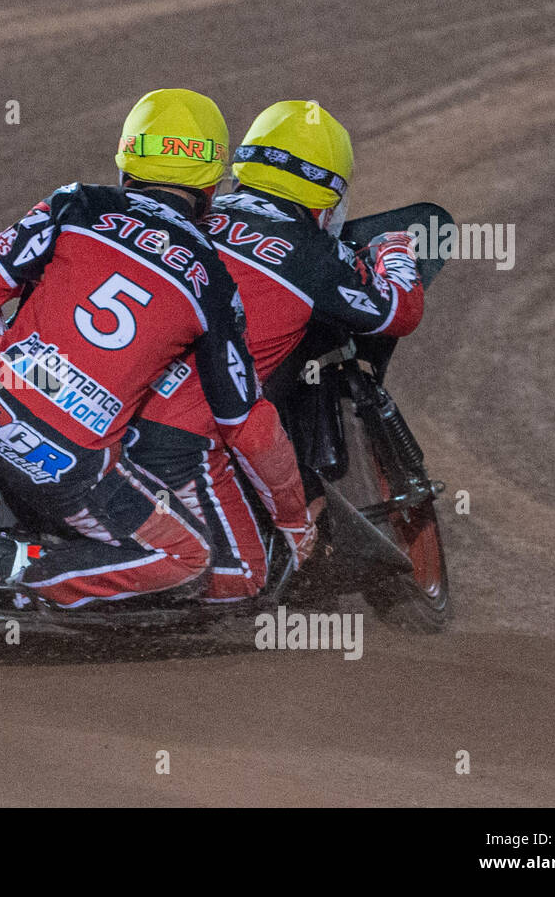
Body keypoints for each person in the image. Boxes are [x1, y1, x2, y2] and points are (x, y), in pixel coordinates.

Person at [0, 89, 313, 608]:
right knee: (188, 558)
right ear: (213, 180)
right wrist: (294, 518)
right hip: (68, 468)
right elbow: (246, 423)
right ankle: (21, 570)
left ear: (127, 158)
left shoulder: (77, 202)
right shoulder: (216, 283)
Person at [130, 100, 422, 601]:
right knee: (254, 572)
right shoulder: (316, 254)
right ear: (329, 195)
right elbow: (399, 313)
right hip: (195, 428)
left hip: (105, 389)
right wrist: (394, 251)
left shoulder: (190, 212)